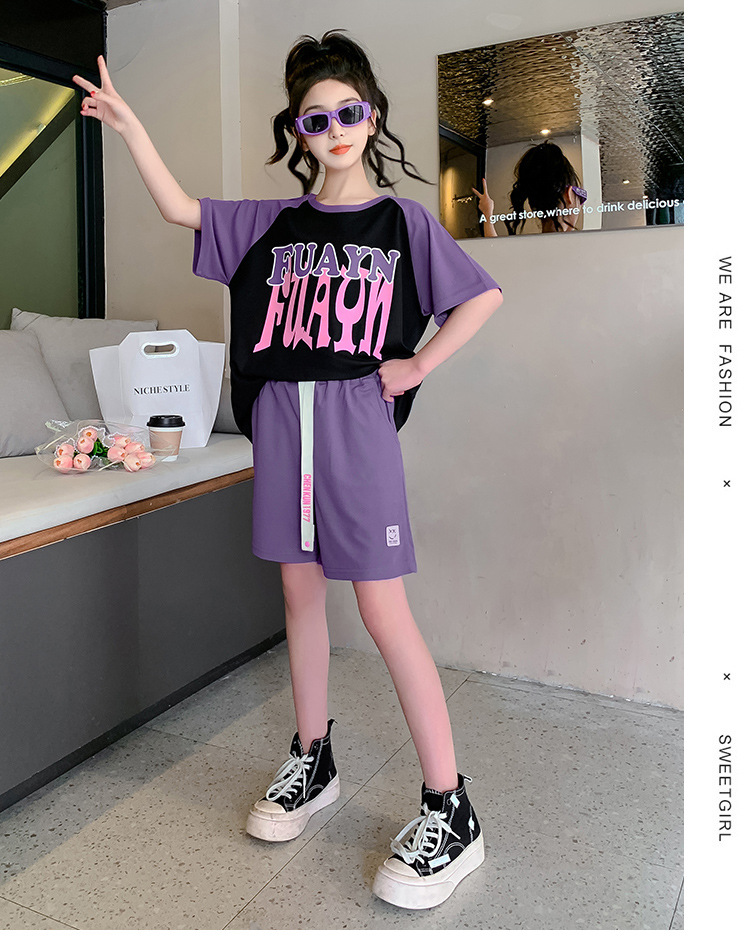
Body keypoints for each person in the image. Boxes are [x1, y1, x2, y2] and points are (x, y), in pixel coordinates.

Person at [73, 29, 502, 911]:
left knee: (382, 611)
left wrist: (416, 364)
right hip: (281, 423)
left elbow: (480, 295)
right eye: (316, 118)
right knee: (299, 596)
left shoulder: (404, 224)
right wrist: (129, 126)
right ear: (298, 132)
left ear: (371, 117)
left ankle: (450, 806)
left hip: (355, 427)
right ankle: (313, 757)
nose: (334, 129)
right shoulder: (271, 224)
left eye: (348, 113)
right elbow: (179, 208)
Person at [472, 141, 586, 236]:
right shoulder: (582, 248)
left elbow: (494, 249)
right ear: (569, 194)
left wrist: (487, 214)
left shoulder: (523, 249)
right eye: (581, 197)